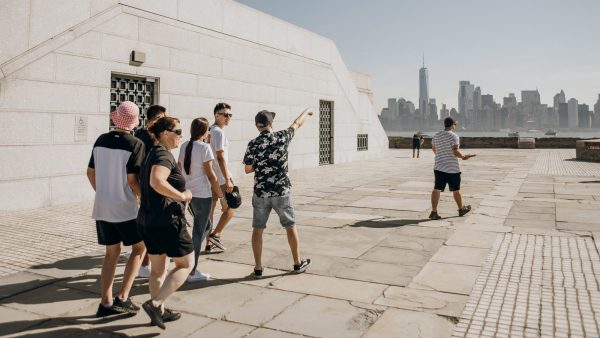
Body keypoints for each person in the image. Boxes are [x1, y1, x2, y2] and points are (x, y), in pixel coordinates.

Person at [86, 101, 146, 317]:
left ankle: (105, 302)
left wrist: (102, 192)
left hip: (103, 206)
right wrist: (142, 198)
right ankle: (123, 297)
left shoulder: (101, 140)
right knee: (139, 249)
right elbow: (132, 180)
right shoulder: (136, 143)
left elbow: (90, 173)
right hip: (125, 208)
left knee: (111, 253)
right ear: (134, 121)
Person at [137, 116, 194, 329]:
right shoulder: (163, 155)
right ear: (165, 133)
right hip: (166, 222)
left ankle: (158, 313)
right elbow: (156, 181)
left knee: (158, 270)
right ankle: (156, 303)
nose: (181, 136)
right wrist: (183, 196)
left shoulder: (152, 153)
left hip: (148, 221)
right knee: (187, 264)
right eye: (178, 131)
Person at [243, 108, 314, 279]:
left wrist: (259, 165)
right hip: (282, 191)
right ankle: (297, 263)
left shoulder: (253, 144)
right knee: (290, 226)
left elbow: (247, 169)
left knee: (258, 229)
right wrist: (307, 112)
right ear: (271, 124)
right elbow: (297, 123)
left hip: (261, 193)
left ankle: (258, 268)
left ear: (257, 126)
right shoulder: (282, 137)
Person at [177, 117, 228, 282]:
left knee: (206, 226)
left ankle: (191, 252)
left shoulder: (185, 145)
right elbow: (211, 175)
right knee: (199, 232)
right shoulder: (205, 148)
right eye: (208, 130)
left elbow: (179, 169)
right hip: (203, 196)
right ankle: (192, 271)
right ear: (204, 132)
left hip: (190, 195)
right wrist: (221, 197)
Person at [133, 104, 167, 278]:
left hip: (143, 184)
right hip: (147, 185)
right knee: (150, 227)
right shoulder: (148, 137)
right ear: (153, 119)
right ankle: (144, 265)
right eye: (161, 118)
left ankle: (144, 262)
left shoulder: (139, 133)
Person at [429, 116, 473, 220]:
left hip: (439, 167)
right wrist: (463, 157)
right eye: (455, 124)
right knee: (456, 190)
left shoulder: (436, 135)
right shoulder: (454, 136)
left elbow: (434, 148)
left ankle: (434, 212)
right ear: (453, 125)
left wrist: (440, 156)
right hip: (452, 169)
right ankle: (461, 209)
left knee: (436, 189)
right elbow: (455, 151)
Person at [206, 103, 234, 252]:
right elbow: (220, 157)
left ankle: (208, 244)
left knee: (209, 211)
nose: (228, 117)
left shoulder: (210, 130)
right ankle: (216, 235)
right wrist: (227, 178)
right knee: (232, 206)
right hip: (221, 178)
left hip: (209, 177)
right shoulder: (218, 132)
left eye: (230, 114)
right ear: (216, 115)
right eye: (225, 114)